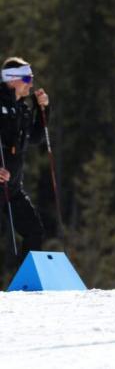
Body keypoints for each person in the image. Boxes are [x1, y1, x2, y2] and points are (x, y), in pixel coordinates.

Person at [0, 57, 50, 263]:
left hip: (11, 189)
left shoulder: (22, 108)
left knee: (34, 232)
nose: (31, 83)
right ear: (12, 80)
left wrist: (42, 109)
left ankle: (27, 288)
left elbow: (36, 137)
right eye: (27, 78)